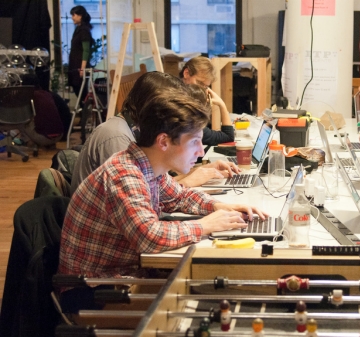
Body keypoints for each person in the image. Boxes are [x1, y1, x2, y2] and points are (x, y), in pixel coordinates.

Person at [58, 86, 267, 313]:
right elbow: (149, 237)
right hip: (95, 291)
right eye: (194, 141)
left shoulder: (147, 165)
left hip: (121, 276)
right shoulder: (124, 175)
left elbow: (179, 195)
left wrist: (219, 206)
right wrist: (205, 225)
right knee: (210, 302)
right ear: (164, 141)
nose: (200, 152)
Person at [70, 72, 239, 195]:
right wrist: (189, 181)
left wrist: (197, 172)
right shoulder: (117, 137)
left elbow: (154, 185)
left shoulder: (136, 131)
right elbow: (140, 197)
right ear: (152, 105)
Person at [180, 56, 235, 146]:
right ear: (186, 73)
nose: (203, 90)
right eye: (199, 83)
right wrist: (222, 105)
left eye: (205, 86)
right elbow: (228, 138)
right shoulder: (181, 104)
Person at [68, 6, 93, 104]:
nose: (72, 17)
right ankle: (84, 113)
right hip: (75, 65)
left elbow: (86, 50)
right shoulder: (78, 29)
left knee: (81, 92)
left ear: (80, 15)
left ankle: (86, 114)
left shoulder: (84, 31)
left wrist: (82, 68)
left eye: (74, 15)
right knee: (77, 89)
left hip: (80, 66)